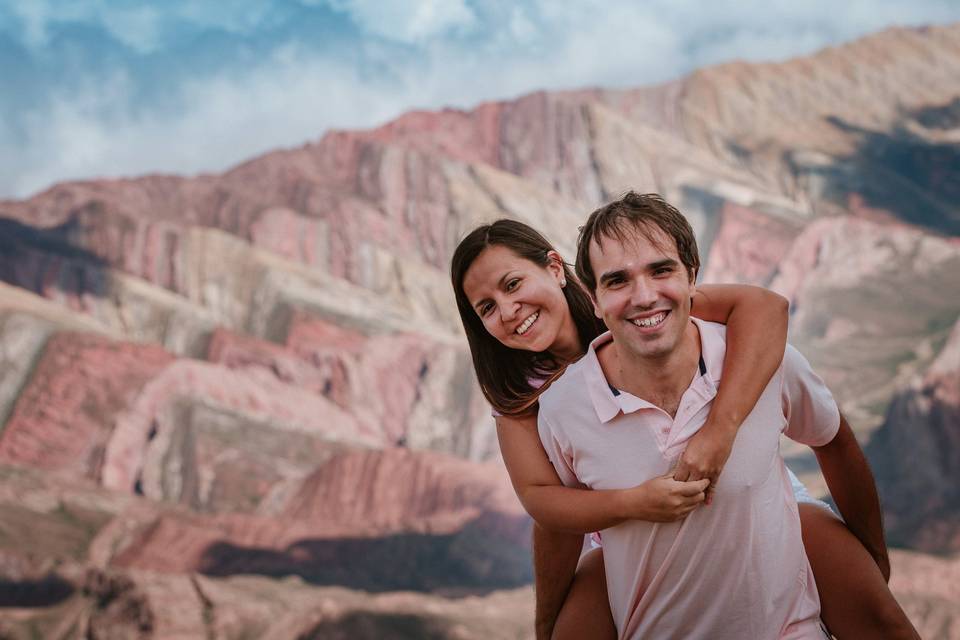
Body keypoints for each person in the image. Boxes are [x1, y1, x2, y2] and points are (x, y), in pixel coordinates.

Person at [451, 199, 918, 638]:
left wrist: (721, 430)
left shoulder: (639, 305)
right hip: (622, 535)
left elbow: (763, 308)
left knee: (877, 616)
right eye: (486, 308)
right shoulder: (524, 402)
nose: (508, 311)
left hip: (749, 491)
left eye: (512, 284)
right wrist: (547, 623)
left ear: (556, 270)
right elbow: (545, 507)